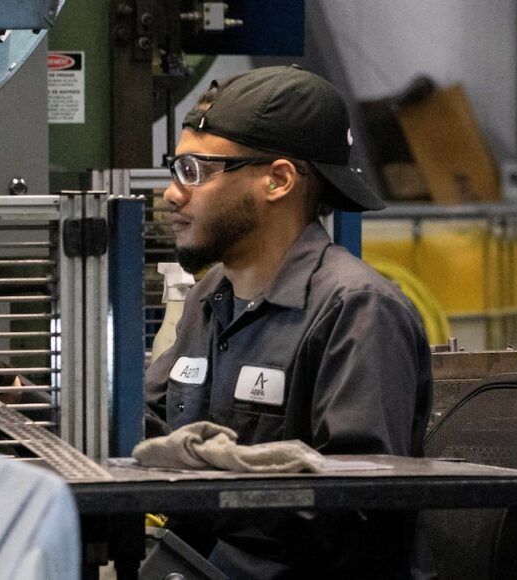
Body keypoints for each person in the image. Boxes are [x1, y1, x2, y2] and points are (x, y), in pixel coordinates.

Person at [142, 65, 432, 579]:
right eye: (175, 169)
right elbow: (144, 426)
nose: (172, 193)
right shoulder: (213, 296)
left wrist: (211, 492)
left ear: (278, 179)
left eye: (195, 170)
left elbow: (355, 510)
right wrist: (22, 395)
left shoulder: (356, 310)